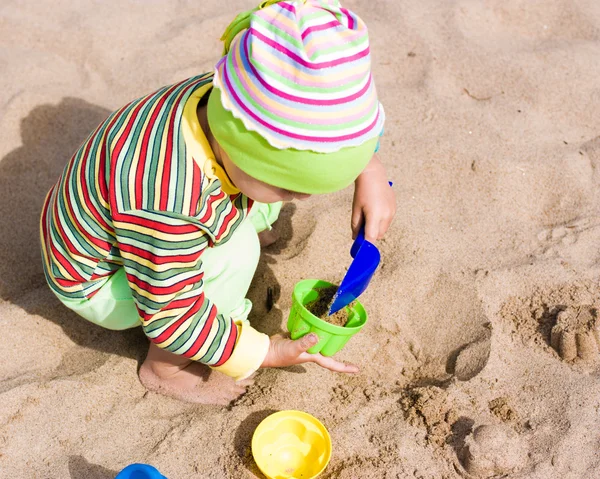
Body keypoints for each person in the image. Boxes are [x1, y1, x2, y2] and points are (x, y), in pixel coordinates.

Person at [39, 0, 395, 405]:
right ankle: (166, 369)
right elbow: (173, 312)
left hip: (143, 226)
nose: (304, 198)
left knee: (258, 203)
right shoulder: (166, 199)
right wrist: (262, 352)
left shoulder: (235, 92)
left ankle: (251, 210)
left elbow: (325, 115)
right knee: (237, 253)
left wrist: (369, 169)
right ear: (241, 147)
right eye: (290, 187)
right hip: (98, 276)